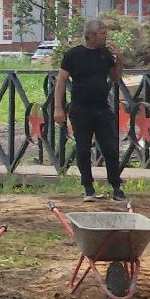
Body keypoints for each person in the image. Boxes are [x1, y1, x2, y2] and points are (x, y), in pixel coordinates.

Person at [54, 17, 127, 202]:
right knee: (83, 149)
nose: (105, 37)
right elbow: (61, 82)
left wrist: (119, 59)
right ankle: (88, 186)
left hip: (102, 108)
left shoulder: (105, 54)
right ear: (90, 36)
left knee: (110, 148)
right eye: (102, 34)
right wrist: (58, 108)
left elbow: (115, 77)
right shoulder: (73, 55)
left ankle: (116, 186)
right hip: (81, 109)